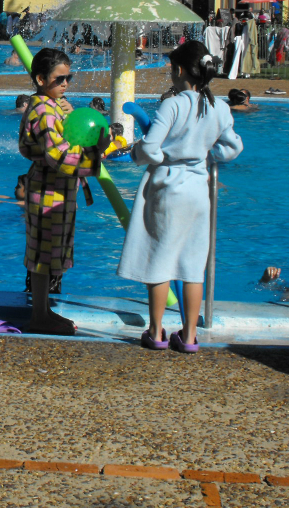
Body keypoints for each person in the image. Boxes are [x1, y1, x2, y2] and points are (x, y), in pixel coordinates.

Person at [117, 40, 242, 353]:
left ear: (179, 70)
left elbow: (149, 147)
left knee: (158, 260)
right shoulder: (219, 107)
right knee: (192, 265)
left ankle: (157, 331)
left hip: (167, 189)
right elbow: (232, 147)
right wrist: (207, 155)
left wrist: (153, 158)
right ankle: (188, 336)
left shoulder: (173, 104)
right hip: (199, 191)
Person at [20, 47, 110, 336]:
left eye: (68, 78)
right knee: (43, 253)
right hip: (48, 189)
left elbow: (59, 139)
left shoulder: (53, 105)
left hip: (57, 188)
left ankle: (43, 309)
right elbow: (58, 155)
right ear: (41, 78)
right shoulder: (44, 111)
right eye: (60, 79)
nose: (66, 84)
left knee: (50, 251)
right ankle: (39, 315)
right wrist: (93, 155)